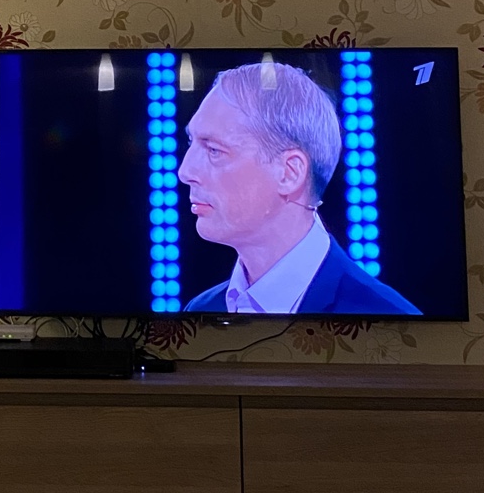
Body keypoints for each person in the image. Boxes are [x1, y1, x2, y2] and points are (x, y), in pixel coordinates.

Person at [178, 61, 420, 316]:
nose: (185, 172)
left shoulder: (387, 321)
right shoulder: (201, 310)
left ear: (289, 173)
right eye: (191, 142)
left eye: (214, 150)